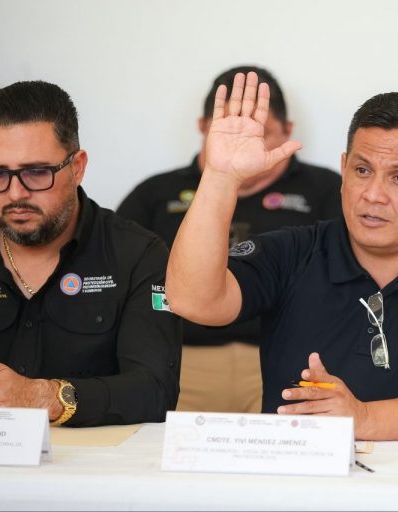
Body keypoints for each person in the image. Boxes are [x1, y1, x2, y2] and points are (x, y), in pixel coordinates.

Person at [165, 72, 398, 440]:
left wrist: (362, 417)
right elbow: (192, 300)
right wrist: (220, 177)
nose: (372, 194)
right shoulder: (293, 251)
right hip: (299, 470)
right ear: (343, 171)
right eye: (362, 170)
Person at [117, 65, 342, 413]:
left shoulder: (328, 191)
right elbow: (120, 280)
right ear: (203, 126)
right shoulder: (154, 194)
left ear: (288, 130)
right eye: (230, 131)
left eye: (261, 132)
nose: (246, 145)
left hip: (291, 358)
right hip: (182, 356)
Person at [0, 81, 181, 427]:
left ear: (77, 167)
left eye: (36, 173)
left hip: (96, 458)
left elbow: (155, 391)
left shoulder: (138, 254)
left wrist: (49, 398)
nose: (15, 194)